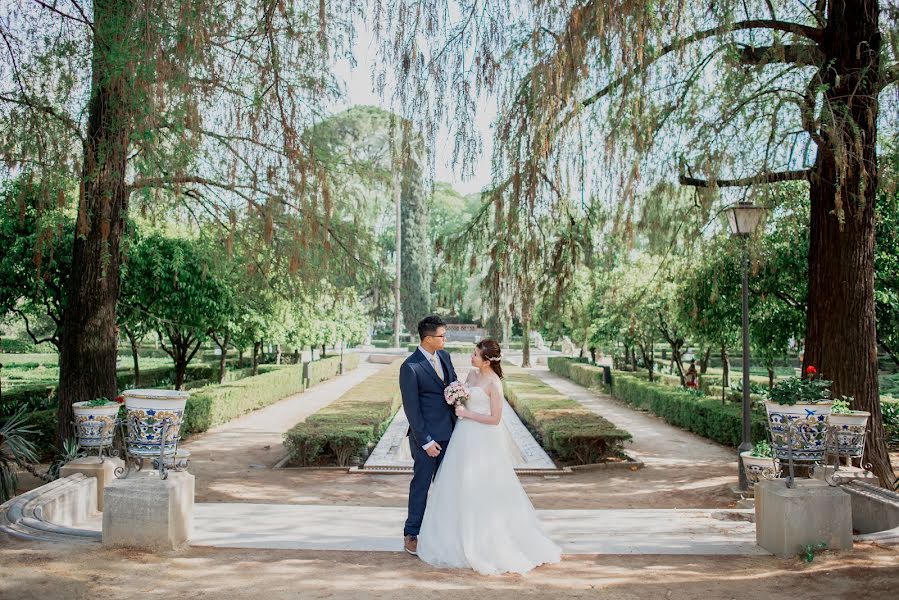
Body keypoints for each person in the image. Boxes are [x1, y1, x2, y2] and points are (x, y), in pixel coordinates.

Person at [416, 339, 562, 575]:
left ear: (487, 361)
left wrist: (467, 413)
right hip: (463, 437)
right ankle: (455, 536)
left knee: (483, 487)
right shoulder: (473, 376)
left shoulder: (494, 383)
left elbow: (495, 419)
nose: (471, 357)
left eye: (475, 354)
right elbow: (461, 396)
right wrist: (456, 401)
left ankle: (486, 541)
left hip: (482, 439)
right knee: (458, 484)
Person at [400, 315, 458, 556]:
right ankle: (411, 533)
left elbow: (453, 385)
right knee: (421, 485)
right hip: (427, 439)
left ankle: (444, 531)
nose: (445, 340)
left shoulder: (445, 357)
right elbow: (412, 410)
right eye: (441, 336)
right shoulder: (410, 367)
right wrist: (425, 441)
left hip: (452, 433)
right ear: (427, 338)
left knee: (448, 486)